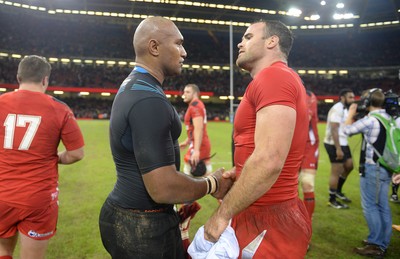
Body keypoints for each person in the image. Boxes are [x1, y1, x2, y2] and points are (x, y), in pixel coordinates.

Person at [98, 16, 234, 259]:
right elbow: (163, 187)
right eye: (178, 44)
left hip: (127, 215)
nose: (184, 51)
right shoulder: (149, 99)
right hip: (143, 226)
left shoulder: (135, 85)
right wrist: (212, 183)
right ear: (154, 47)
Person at [204, 20, 312, 258]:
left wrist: (222, 215)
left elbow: (269, 159)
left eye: (248, 36)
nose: (240, 43)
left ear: (272, 41)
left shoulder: (274, 77)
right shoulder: (277, 78)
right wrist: (241, 172)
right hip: (264, 212)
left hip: (268, 219)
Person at [0, 55, 85, 259]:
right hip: (38, 198)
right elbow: (76, 153)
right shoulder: (60, 109)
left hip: (2, 193)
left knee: (3, 252)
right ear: (45, 79)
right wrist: (53, 158)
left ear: (18, 77)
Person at [343, 88, 392, 257]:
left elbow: (347, 130)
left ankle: (376, 244)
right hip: (385, 168)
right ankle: (382, 242)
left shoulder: (371, 120)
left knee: (371, 206)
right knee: (383, 207)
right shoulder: (388, 118)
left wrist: (350, 113)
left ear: (368, 101)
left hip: (373, 168)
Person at [324, 88, 355, 209]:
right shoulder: (337, 108)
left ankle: (338, 191)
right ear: (342, 98)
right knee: (336, 171)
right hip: (333, 143)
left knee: (349, 165)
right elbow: (334, 129)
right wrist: (338, 148)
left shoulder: (345, 109)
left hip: (343, 141)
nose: (352, 99)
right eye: (350, 97)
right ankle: (332, 199)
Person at [180, 84, 212, 176]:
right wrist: (187, 141)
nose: (184, 94)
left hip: (199, 145)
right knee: (201, 173)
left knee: (190, 172)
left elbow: (198, 128)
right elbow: (193, 128)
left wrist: (197, 150)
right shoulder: (196, 105)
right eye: (184, 92)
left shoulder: (195, 106)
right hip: (198, 143)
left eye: (187, 92)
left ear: (195, 94)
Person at [299, 90, 319, 221]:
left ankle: (307, 222)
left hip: (308, 145)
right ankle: (290, 219)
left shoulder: (309, 96)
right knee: (289, 185)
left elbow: (306, 117)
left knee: (307, 183)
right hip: (290, 144)